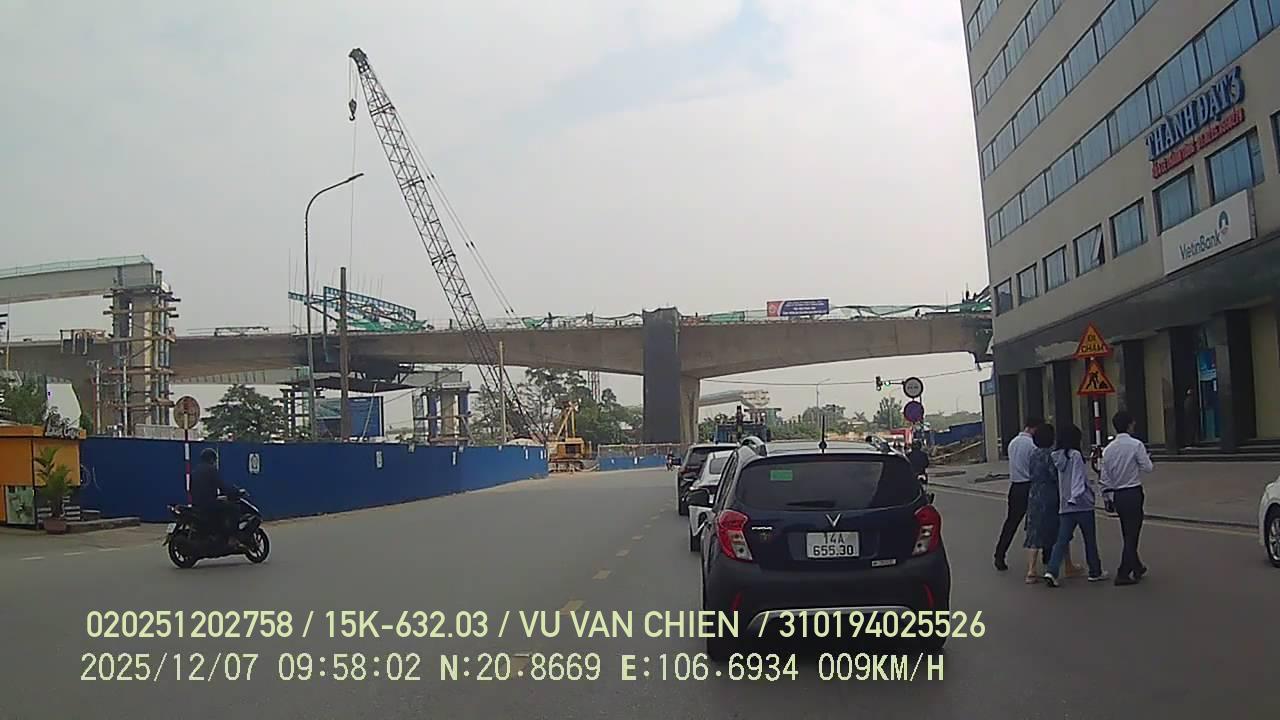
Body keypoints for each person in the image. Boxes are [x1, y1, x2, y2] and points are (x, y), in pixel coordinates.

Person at [1043, 424, 1107, 586]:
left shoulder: (1056, 456)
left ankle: (1052, 571)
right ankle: (1095, 571)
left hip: (1065, 505)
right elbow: (1077, 478)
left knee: (1061, 540)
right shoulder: (1075, 455)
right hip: (1081, 504)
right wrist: (1079, 494)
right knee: (1090, 540)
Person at [1101, 410, 1153, 586]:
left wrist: (1107, 497)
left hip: (1118, 494)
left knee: (1127, 532)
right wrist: (1146, 458)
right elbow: (1148, 468)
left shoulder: (1108, 450)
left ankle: (1137, 566)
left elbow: (1105, 477)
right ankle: (1123, 573)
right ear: (1130, 425)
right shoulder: (1136, 445)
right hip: (1133, 491)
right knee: (1133, 534)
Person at [994, 417, 1041, 571]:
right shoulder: (1033, 445)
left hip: (1015, 486)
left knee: (1011, 523)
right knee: (1038, 522)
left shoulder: (1013, 443)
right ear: (1035, 428)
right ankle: (1045, 555)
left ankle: (1000, 554)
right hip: (1029, 486)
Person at [189, 448, 242, 546]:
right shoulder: (211, 470)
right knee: (234, 509)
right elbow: (221, 486)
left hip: (197, 505)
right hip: (209, 504)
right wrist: (233, 492)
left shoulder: (195, 470)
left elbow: (190, 488)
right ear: (211, 459)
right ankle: (232, 537)